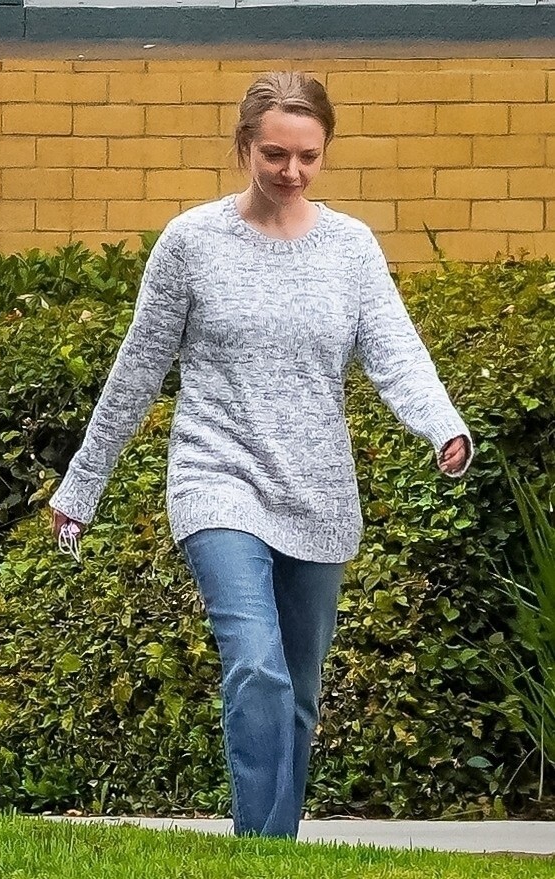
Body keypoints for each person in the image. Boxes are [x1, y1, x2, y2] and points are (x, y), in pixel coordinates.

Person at [49, 71, 474, 840]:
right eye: (275, 153)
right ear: (244, 145)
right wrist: (82, 487)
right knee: (256, 663)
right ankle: (258, 850)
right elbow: (138, 369)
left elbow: (397, 354)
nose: (292, 171)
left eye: (309, 156)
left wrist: (443, 424)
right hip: (216, 476)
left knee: (298, 690)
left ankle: (276, 848)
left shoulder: (350, 248)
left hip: (316, 487)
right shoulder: (192, 243)